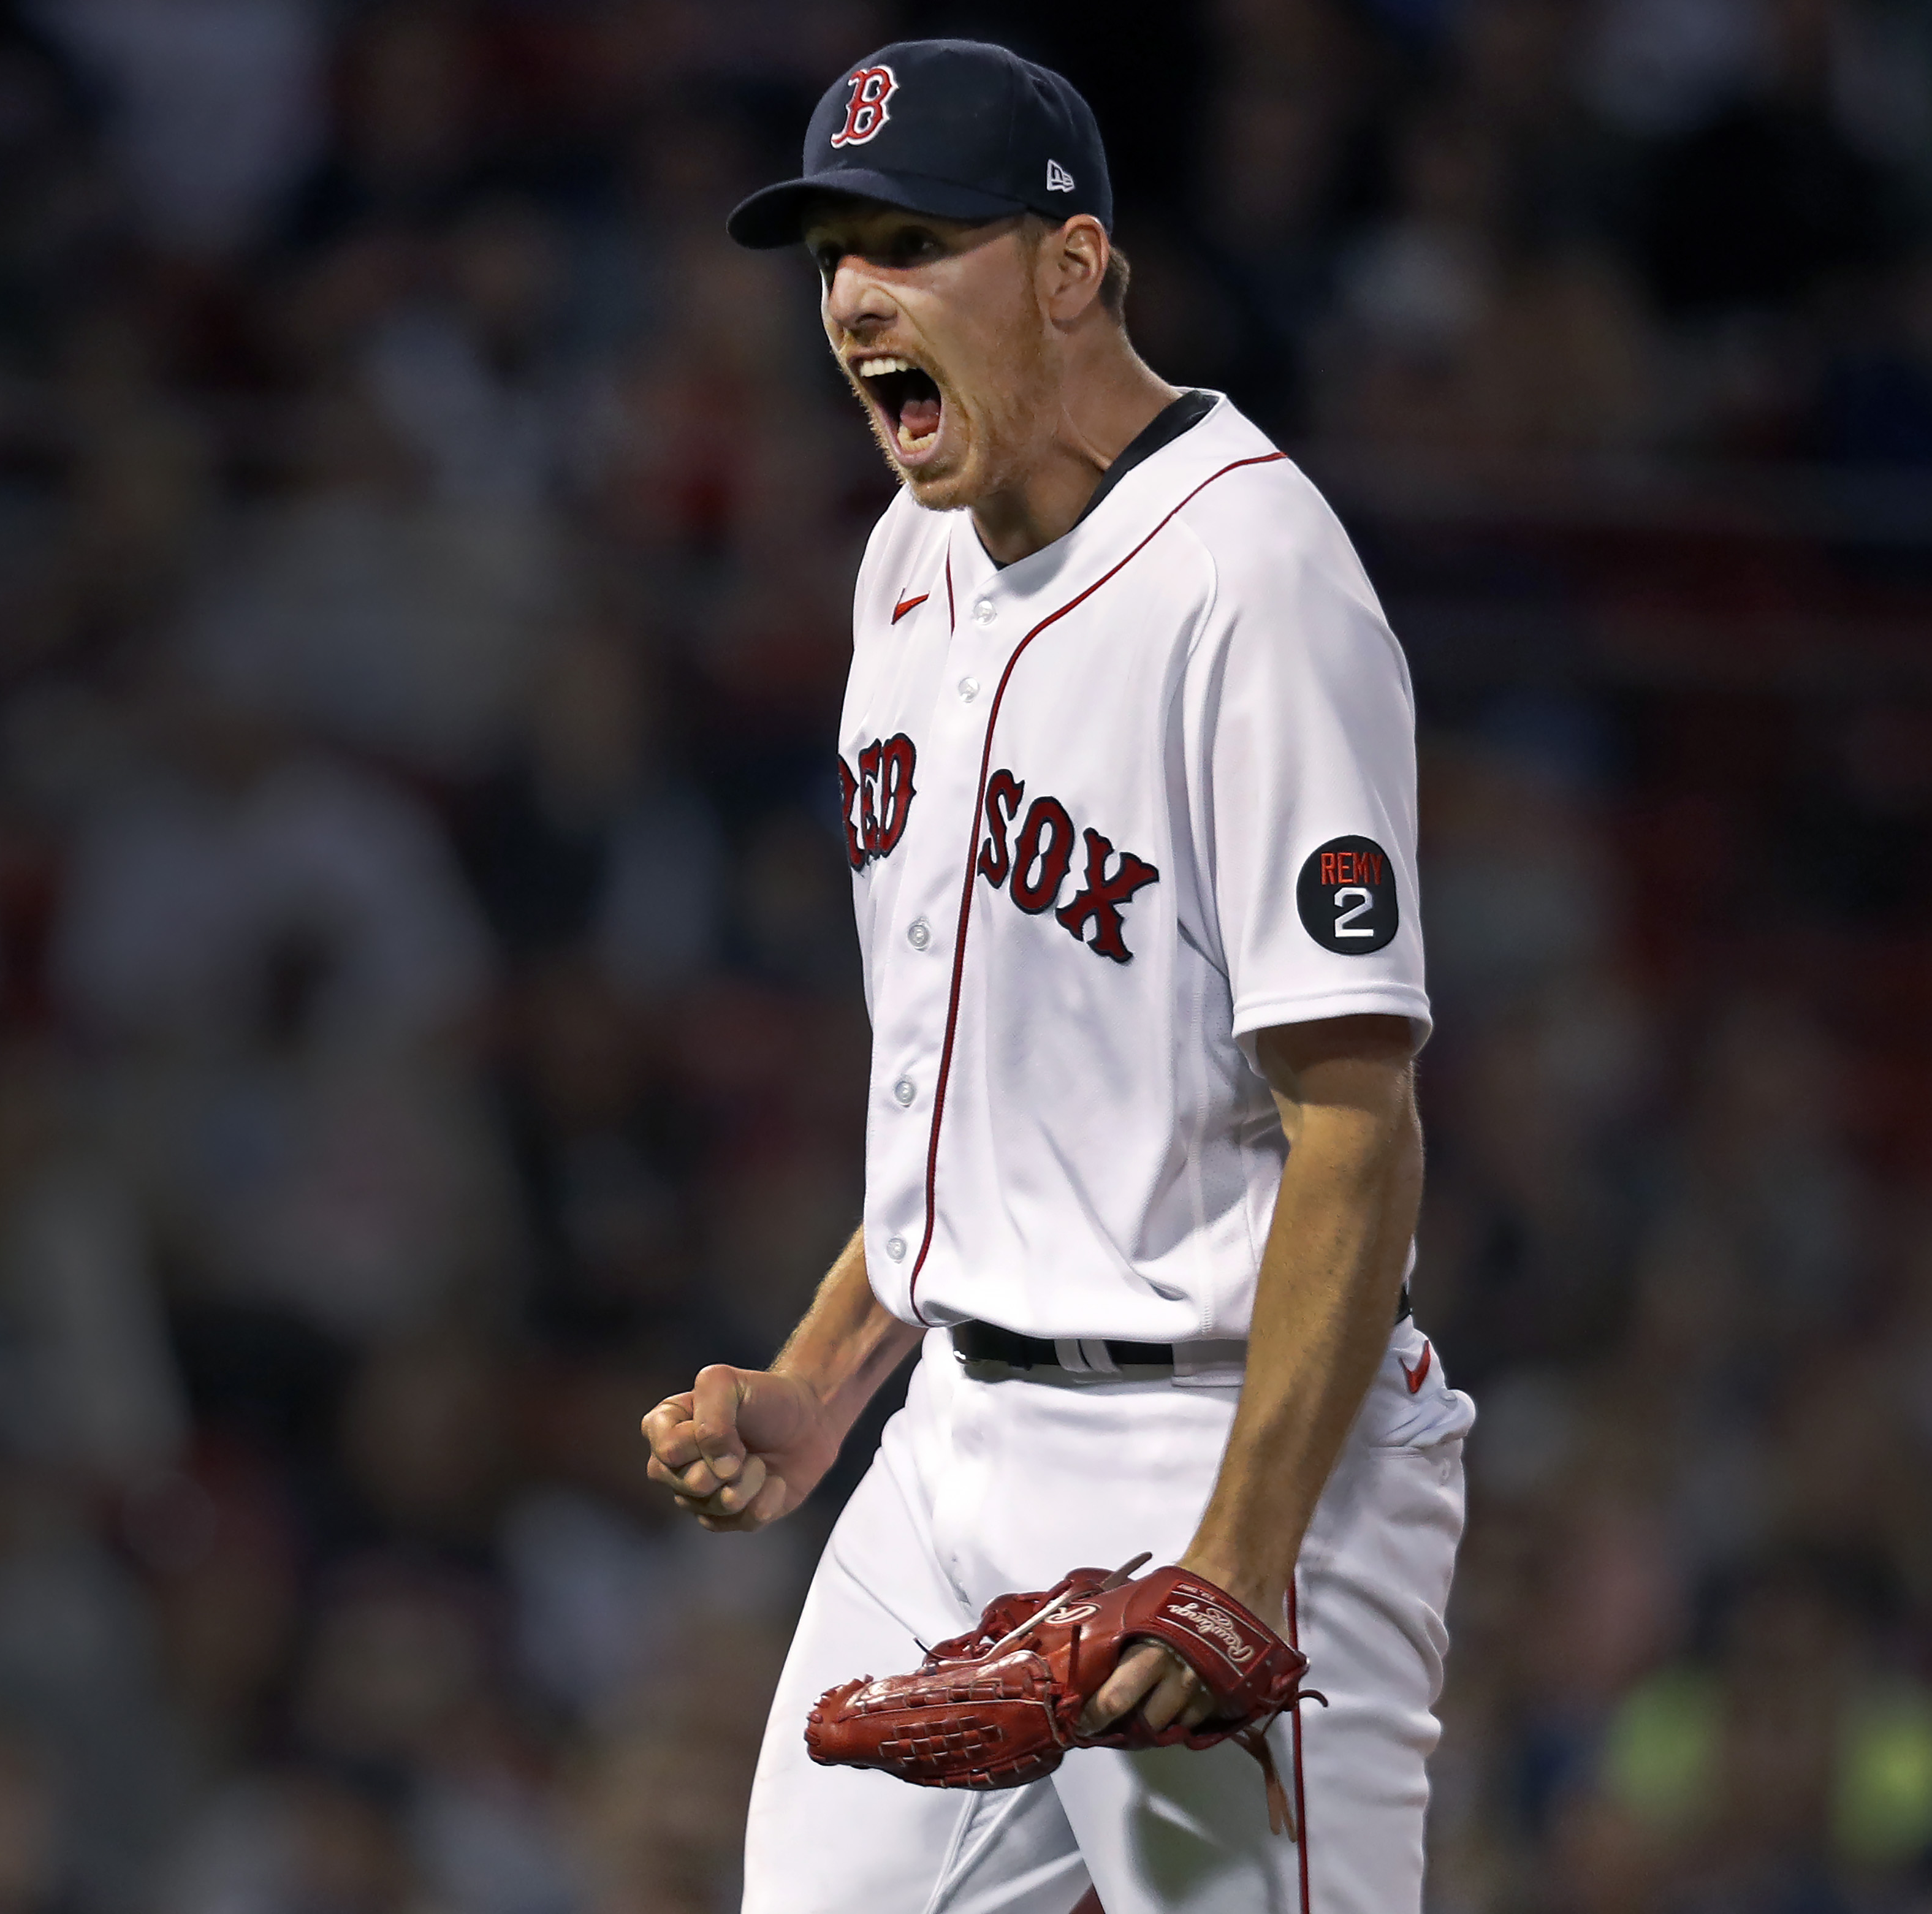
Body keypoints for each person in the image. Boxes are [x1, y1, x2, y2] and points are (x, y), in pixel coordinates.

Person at [641, 39, 1474, 1912]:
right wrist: (820, 1379)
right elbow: (976, 1079)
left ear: (1072, 268)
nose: (855, 294)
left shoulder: (1252, 579)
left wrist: (1240, 1552)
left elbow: (1359, 1120)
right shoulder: (902, 566)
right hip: (950, 1440)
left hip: (1230, 1438)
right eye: (834, 250)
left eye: (912, 241)